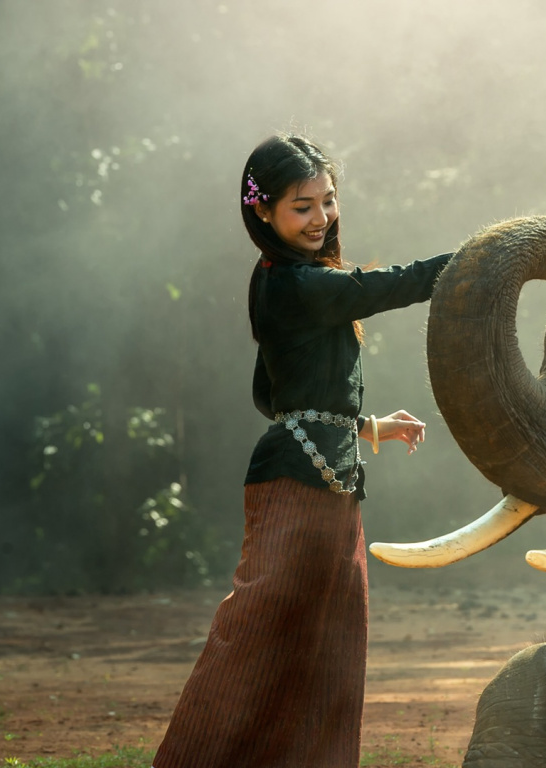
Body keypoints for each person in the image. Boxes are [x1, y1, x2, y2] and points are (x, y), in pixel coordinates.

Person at [153, 133, 452, 768]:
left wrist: (366, 426)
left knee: (332, 651)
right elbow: (391, 286)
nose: (321, 218)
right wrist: (497, 254)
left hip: (332, 480)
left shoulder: (291, 282)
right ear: (262, 212)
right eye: (301, 206)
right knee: (252, 640)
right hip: (294, 483)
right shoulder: (292, 284)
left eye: (328, 200)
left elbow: (274, 394)